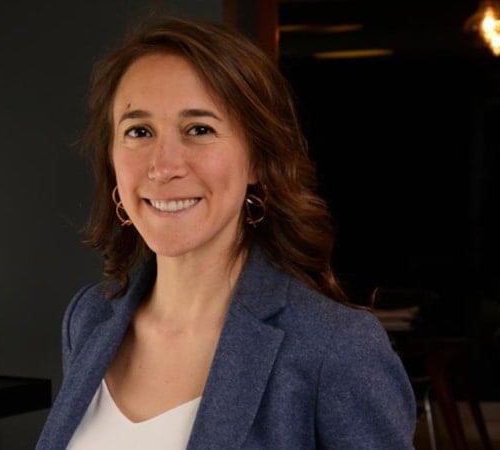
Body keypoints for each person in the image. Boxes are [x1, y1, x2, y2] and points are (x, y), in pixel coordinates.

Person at [36, 16, 416, 449]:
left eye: (199, 130)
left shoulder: (336, 347)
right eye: (139, 131)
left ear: (258, 160)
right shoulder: (88, 318)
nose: (163, 166)